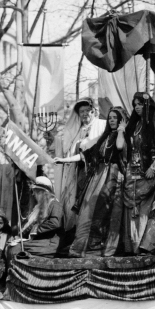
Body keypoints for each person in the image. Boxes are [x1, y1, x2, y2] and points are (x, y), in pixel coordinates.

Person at [55, 106, 127, 257]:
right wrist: (63, 160)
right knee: (87, 212)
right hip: (97, 178)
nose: (112, 120)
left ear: (121, 120)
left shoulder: (123, 136)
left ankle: (105, 249)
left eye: (115, 117)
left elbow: (120, 147)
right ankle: (82, 248)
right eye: (111, 118)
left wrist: (121, 130)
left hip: (113, 178)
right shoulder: (104, 137)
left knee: (109, 213)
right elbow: (84, 156)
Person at [122, 92, 155, 255]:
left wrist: (153, 167)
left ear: (148, 105)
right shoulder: (134, 124)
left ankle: (147, 245)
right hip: (132, 172)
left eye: (140, 104)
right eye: (135, 104)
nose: (137, 107)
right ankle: (133, 247)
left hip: (151, 172)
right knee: (132, 208)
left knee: (148, 210)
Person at [55, 99, 107, 232]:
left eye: (87, 111)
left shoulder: (102, 125)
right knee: (79, 203)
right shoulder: (79, 131)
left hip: (97, 171)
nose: (84, 114)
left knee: (93, 204)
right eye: (81, 112)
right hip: (80, 172)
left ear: (94, 111)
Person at [18, 176, 64, 257]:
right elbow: (31, 225)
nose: (33, 194)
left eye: (36, 192)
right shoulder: (39, 207)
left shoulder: (55, 204)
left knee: (16, 248)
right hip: (41, 241)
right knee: (13, 245)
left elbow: (55, 223)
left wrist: (36, 229)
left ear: (43, 192)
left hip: (50, 243)